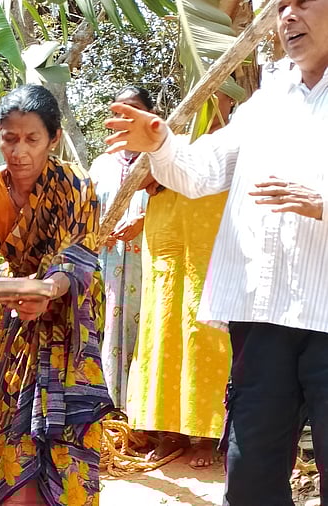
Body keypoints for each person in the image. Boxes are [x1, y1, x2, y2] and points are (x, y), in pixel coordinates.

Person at [104, 0, 328, 500]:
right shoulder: (267, 101)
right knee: (250, 479)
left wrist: (324, 204)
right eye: (282, 5)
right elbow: (201, 171)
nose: (288, 16)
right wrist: (159, 144)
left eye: (303, 2)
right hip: (263, 319)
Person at [0, 84, 112, 506]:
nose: (18, 151)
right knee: (16, 444)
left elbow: (75, 258)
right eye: (9, 138)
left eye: (31, 139)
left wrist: (49, 292)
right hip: (18, 328)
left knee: (66, 450)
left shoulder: (76, 185)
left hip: (69, 325)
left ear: (53, 139)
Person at [123, 92, 235, 469]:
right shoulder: (174, 140)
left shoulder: (237, 143)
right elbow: (139, 182)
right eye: (216, 99)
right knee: (163, 329)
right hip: (168, 245)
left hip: (210, 250)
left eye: (226, 100)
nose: (219, 105)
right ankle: (167, 431)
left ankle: (206, 435)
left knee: (205, 333)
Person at [89, 86, 151, 413]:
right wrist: (99, 231)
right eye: (120, 110)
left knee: (146, 331)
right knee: (106, 330)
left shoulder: (160, 161)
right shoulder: (100, 165)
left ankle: (141, 412)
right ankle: (109, 407)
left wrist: (143, 219)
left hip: (149, 265)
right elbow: (85, 211)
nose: (126, 116)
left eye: (135, 109)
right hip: (106, 264)